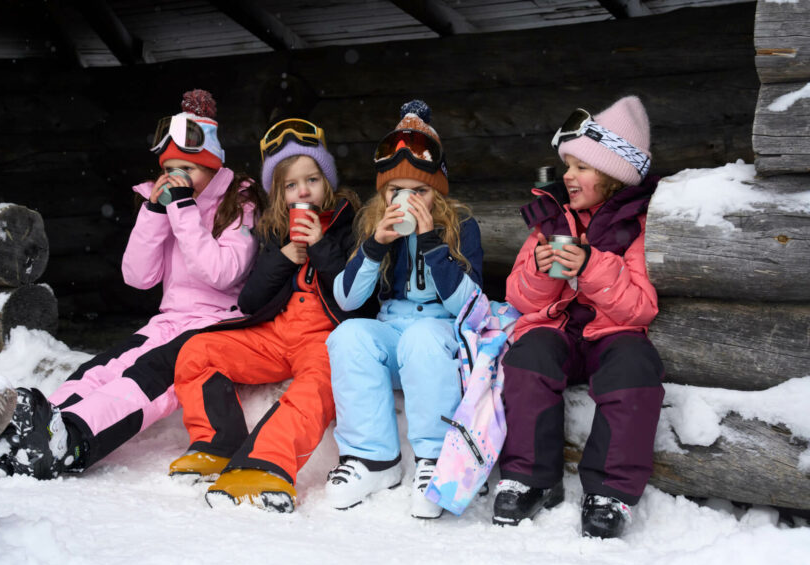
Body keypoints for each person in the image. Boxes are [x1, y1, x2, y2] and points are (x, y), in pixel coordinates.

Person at [0, 90, 264, 479]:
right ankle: (42, 424)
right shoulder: (168, 205)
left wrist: (183, 209)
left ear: (214, 167)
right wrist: (154, 212)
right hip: (170, 320)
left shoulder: (239, 207)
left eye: (190, 168)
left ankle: (72, 439)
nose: (178, 178)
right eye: (171, 168)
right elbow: (138, 277)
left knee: (145, 379)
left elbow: (221, 273)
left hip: (214, 327)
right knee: (101, 368)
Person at [171, 117, 371, 513]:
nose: (303, 191)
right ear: (279, 194)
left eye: (311, 180)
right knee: (198, 350)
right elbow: (250, 301)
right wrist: (283, 257)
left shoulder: (353, 224)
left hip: (326, 338)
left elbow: (360, 303)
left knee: (318, 385)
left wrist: (321, 247)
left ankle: (266, 465)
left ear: (327, 181)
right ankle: (217, 443)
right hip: (277, 334)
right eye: (291, 185)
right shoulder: (274, 230)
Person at [493, 96, 665, 538]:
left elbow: (640, 306)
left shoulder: (637, 226)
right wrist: (540, 267)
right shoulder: (552, 218)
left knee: (635, 367)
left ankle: (610, 491)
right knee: (529, 355)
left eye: (580, 168)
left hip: (612, 332)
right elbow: (520, 297)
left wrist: (590, 266)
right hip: (560, 329)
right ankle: (531, 478)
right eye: (567, 166)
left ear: (612, 176)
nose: (567, 176)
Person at [323, 100, 484, 519]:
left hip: (440, 335)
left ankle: (434, 458)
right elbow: (347, 299)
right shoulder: (375, 226)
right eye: (397, 191)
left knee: (422, 337)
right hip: (392, 331)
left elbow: (470, 305)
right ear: (383, 193)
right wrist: (375, 245)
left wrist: (432, 243)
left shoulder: (461, 226)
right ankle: (372, 459)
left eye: (421, 191)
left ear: (438, 191)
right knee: (349, 335)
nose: (408, 200)